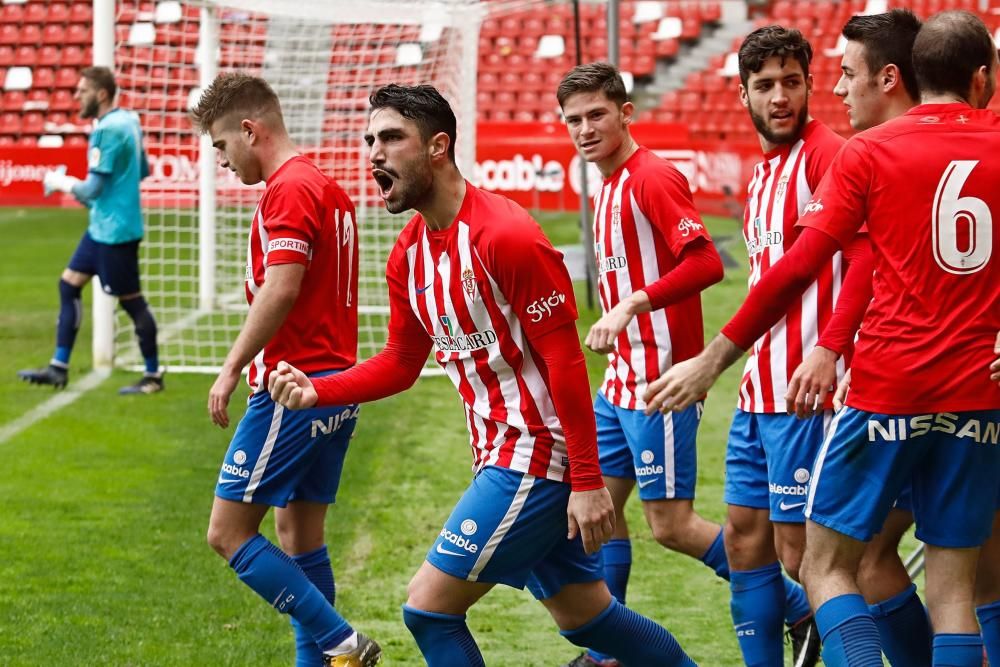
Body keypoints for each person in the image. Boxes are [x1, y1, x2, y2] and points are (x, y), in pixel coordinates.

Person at [270, 83, 695, 667]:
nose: (374, 153)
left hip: (537, 455)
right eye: (371, 139)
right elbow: (400, 362)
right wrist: (319, 389)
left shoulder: (507, 234)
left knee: (428, 608)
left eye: (392, 138)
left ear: (438, 147)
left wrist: (590, 482)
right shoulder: (408, 254)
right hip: (498, 454)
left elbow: (566, 361)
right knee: (589, 619)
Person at [645, 10, 1000, 666]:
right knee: (960, 584)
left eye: (837, 76)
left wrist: (725, 353)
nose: (835, 90)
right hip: (978, 390)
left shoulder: (860, 153)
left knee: (827, 564)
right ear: (983, 79)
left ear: (905, 75)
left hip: (883, 386)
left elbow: (804, 265)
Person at [554, 62, 817, 667]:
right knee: (596, 510)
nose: (586, 129)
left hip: (661, 383)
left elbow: (705, 264)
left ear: (626, 114)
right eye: (574, 120)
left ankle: (799, 604)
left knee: (670, 525)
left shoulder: (650, 177)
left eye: (598, 115)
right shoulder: (606, 183)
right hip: (620, 380)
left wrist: (630, 306)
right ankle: (609, 652)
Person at [189, 73, 380, 667]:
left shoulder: (289, 188)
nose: (221, 161)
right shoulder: (326, 185)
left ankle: (344, 641)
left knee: (228, 533)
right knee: (299, 540)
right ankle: (326, 657)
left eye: (222, 146)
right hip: (332, 386)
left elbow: (282, 287)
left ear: (250, 130)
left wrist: (229, 368)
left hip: (291, 387)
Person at [700, 25, 846, 667]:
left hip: (806, 396)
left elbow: (861, 262)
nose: (779, 96)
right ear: (744, 95)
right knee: (743, 539)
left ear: (812, 85)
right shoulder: (763, 176)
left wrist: (833, 349)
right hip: (759, 390)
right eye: (765, 86)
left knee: (805, 555)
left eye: (791, 82)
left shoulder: (828, 156)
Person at [19, 66, 163, 394]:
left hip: (114, 233)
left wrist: (59, 181)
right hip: (104, 227)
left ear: (100, 94)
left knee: (132, 302)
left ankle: (153, 377)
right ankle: (59, 367)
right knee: (68, 284)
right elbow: (143, 170)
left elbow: (91, 190)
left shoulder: (107, 130)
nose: (76, 96)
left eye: (82, 90)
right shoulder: (130, 121)